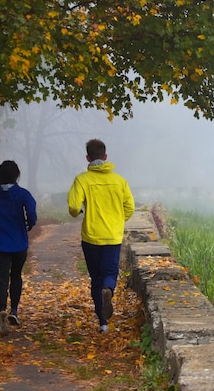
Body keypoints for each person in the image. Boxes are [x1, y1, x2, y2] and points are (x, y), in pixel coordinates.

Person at [68, 139, 135, 333]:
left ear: (87, 158)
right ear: (105, 157)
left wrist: (77, 213)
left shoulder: (82, 180)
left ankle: (102, 322)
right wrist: (117, 221)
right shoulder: (119, 181)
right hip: (112, 237)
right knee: (110, 273)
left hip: (91, 237)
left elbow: (73, 206)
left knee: (95, 278)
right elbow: (129, 207)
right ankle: (109, 289)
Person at [0, 160, 37, 337]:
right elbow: (31, 212)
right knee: (16, 276)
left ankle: (1, 311)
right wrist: (29, 223)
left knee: (1, 279)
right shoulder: (22, 194)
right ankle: (14, 310)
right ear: (16, 176)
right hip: (19, 243)